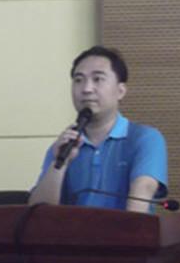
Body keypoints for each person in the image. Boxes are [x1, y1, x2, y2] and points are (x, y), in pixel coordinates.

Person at [29, 46, 168, 213]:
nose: (86, 89)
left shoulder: (145, 139)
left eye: (98, 79)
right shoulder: (64, 145)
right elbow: (37, 213)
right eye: (78, 80)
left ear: (120, 91)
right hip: (71, 230)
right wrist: (59, 163)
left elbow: (140, 199)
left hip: (125, 229)